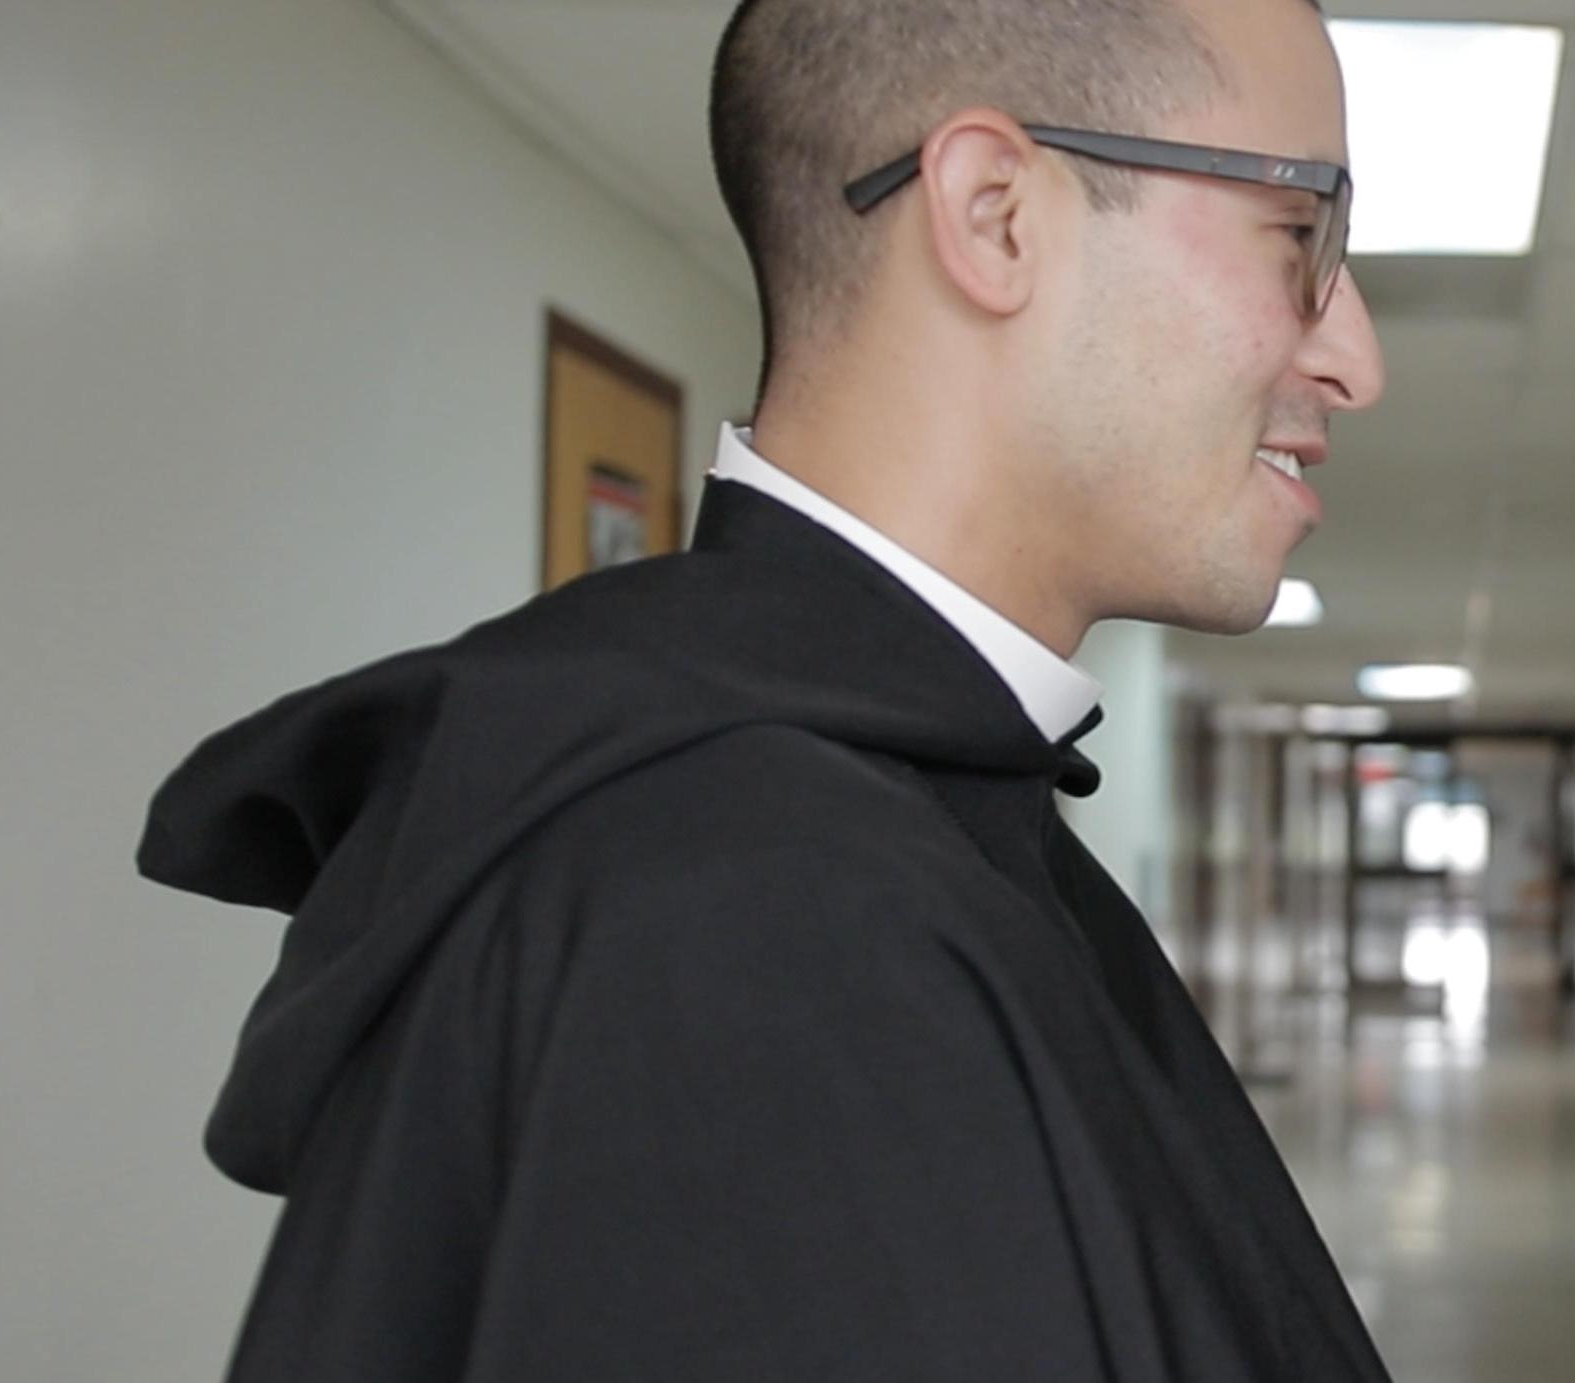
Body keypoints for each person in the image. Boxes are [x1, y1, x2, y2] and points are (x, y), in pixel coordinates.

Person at [134, 0, 1386, 1376]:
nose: (1354, 360)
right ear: (996, 216)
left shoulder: (889, 810)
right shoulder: (750, 917)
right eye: (1303, 236)